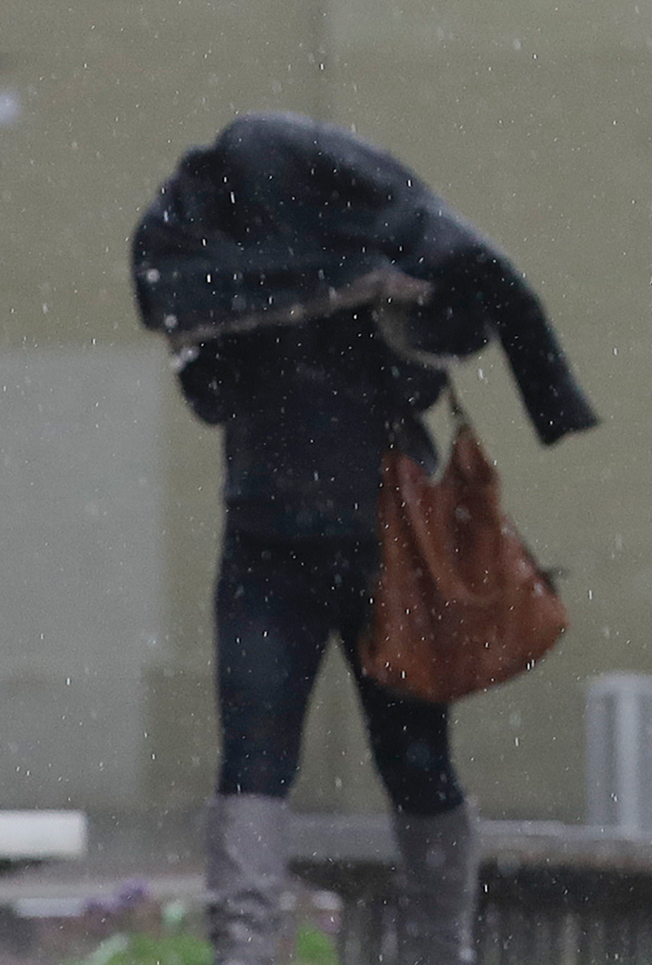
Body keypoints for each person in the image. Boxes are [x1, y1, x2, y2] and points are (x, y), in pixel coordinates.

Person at [132, 114, 599, 965]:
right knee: (416, 763)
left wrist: (263, 327)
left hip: (268, 541)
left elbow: (209, 396)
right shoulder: (381, 253)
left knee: (255, 763)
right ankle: (438, 947)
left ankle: (246, 950)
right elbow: (431, 368)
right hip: (390, 542)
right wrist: (375, 312)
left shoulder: (221, 273)